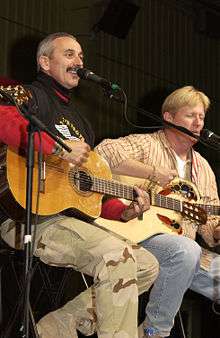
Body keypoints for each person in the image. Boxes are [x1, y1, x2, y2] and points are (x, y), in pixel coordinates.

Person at [0, 32, 159, 338]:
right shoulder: (28, 96)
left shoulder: (81, 122)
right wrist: (58, 147)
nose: (79, 62)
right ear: (45, 62)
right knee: (117, 256)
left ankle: (61, 325)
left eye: (81, 56)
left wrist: (125, 212)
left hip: (66, 218)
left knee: (147, 264)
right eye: (69, 54)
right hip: (23, 218)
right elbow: (4, 121)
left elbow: (91, 190)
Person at [95, 85, 220, 338]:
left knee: (189, 251)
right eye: (190, 115)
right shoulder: (147, 144)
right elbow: (103, 153)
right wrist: (153, 175)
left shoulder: (203, 168)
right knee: (187, 250)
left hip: (185, 253)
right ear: (169, 117)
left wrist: (217, 230)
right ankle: (155, 332)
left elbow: (210, 229)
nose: (198, 123)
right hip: (135, 238)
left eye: (202, 117)